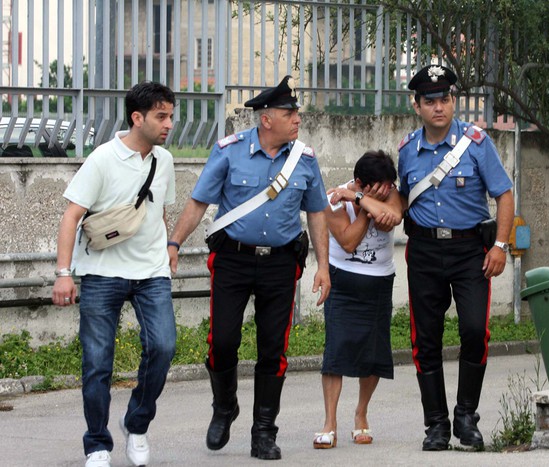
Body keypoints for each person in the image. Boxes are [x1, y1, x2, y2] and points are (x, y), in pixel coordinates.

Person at [167, 75, 331, 461]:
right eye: (289, 113)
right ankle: (225, 406)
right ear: (266, 119)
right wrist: (174, 243)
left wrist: (323, 266)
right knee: (222, 341)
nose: (297, 119)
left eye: (296, 112)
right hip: (233, 261)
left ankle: (264, 431)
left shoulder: (305, 160)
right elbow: (198, 202)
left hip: (280, 263)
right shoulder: (229, 151)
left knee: (273, 348)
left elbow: (317, 213)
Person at [51, 81, 177, 467]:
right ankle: (97, 445)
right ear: (137, 118)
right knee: (97, 362)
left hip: (152, 273)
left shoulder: (164, 160)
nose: (169, 124)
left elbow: (159, 211)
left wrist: (167, 251)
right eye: (161, 116)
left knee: (163, 347)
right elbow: (72, 215)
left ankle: (136, 424)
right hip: (102, 272)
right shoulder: (103, 159)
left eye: (171, 116)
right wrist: (63, 273)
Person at [397, 65, 515, 451]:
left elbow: (504, 194)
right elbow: (401, 199)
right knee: (426, 339)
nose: (439, 107)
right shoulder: (407, 150)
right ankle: (436, 424)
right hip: (425, 252)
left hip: (470, 253)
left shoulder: (476, 143)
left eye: (445, 99)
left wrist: (500, 246)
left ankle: (466, 417)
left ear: (453, 101)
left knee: (474, 331)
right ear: (417, 105)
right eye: (430, 101)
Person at [312, 150, 403, 449]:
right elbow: (349, 241)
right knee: (335, 352)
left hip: (379, 282)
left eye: (390, 186)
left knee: (374, 354)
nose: (387, 191)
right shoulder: (332, 200)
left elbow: (392, 218)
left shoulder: (388, 193)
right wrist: (365, 207)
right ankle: (329, 423)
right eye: (381, 187)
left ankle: (361, 412)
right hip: (342, 282)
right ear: (362, 182)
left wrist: (359, 198)